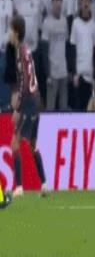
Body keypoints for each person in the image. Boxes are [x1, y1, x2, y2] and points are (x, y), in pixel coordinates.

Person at [8, 15, 48, 197]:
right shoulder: (26, 50)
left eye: (11, 30)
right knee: (32, 144)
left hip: (29, 101)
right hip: (36, 98)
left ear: (16, 32)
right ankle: (45, 184)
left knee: (15, 143)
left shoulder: (19, 52)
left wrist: (18, 108)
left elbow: (24, 81)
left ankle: (19, 187)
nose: (9, 34)